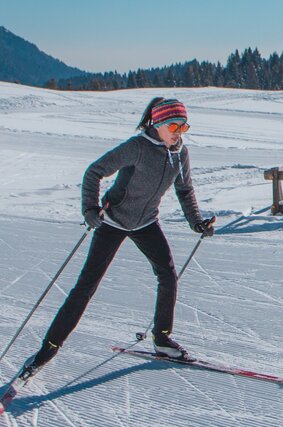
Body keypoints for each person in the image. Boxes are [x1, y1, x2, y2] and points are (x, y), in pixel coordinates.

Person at [18, 97, 215, 381]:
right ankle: (48, 348)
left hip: (146, 222)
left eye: (183, 127)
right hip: (113, 222)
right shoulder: (136, 147)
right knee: (86, 286)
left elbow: (185, 191)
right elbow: (94, 172)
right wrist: (90, 209)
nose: (178, 132)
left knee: (168, 275)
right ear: (157, 123)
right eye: (174, 125)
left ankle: (162, 339)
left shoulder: (180, 154)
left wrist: (197, 222)